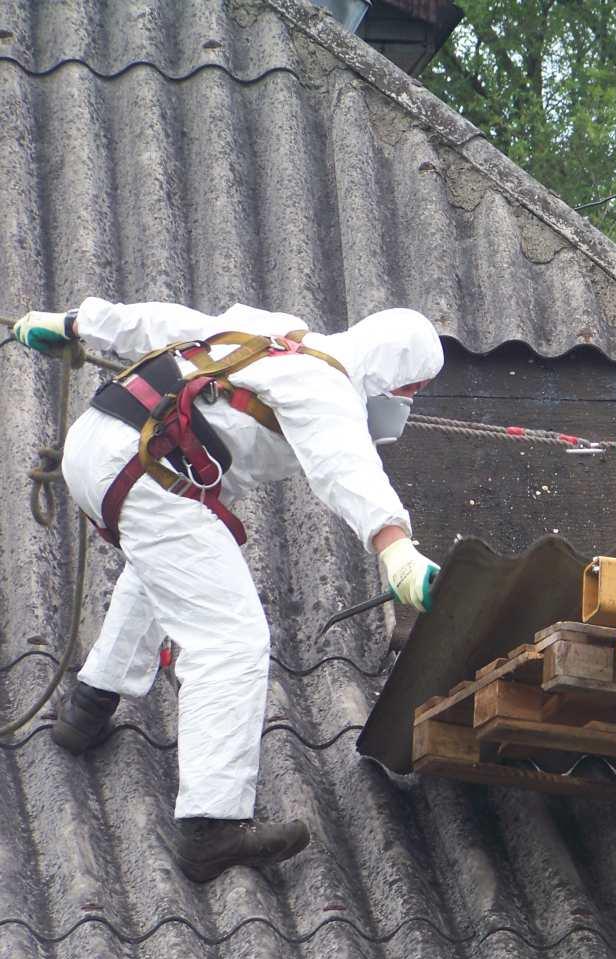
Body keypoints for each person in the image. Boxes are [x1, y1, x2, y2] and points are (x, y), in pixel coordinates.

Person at [10, 300, 444, 881]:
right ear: (393, 377)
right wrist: (397, 552)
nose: (407, 405)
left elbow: (162, 320)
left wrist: (72, 323)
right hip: (144, 471)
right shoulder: (328, 385)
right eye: (412, 390)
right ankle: (210, 827)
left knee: (173, 566)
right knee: (232, 639)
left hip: (98, 444)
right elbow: (348, 469)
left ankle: (88, 707)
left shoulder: (272, 331)